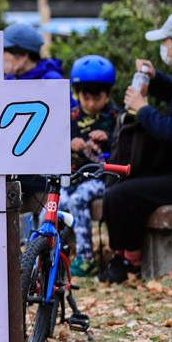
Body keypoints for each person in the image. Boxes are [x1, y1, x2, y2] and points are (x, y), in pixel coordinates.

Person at [101, 12, 172, 283]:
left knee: (123, 194)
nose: (164, 48)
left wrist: (143, 109)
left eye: (167, 41)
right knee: (120, 183)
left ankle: (129, 262)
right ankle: (122, 256)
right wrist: (155, 76)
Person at [0, 23, 66, 216]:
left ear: (22, 56)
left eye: (4, 52)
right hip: (17, 160)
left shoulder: (51, 81)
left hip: (42, 166)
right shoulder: (10, 80)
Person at [62, 55, 121, 279]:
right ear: (78, 94)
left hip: (101, 178)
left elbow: (124, 144)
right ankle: (57, 255)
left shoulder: (114, 117)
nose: (91, 103)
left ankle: (86, 258)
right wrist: (70, 143)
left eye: (98, 98)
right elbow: (54, 142)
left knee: (77, 200)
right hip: (75, 176)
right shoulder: (71, 116)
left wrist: (109, 137)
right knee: (61, 201)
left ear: (108, 94)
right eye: (86, 98)